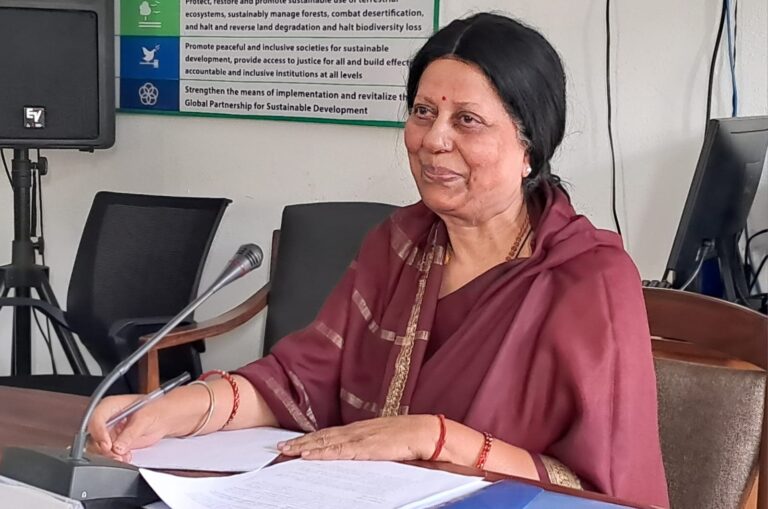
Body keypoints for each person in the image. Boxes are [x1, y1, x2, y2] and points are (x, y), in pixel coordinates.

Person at [89, 12, 669, 507]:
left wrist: (437, 439)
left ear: (529, 147)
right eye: (423, 112)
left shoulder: (588, 279)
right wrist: (172, 409)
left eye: (466, 120)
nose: (433, 140)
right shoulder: (401, 243)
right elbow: (300, 383)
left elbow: (605, 489)